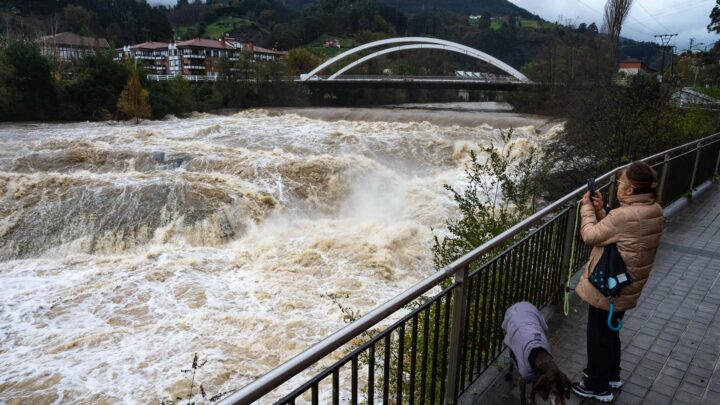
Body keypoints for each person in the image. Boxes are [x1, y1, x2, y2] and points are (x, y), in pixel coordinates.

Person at [570, 161, 664, 402]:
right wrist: (602, 211)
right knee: (610, 332)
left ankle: (596, 385)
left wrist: (587, 209)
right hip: (627, 283)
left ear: (631, 190)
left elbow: (591, 235)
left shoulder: (624, 215)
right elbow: (621, 235)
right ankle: (612, 375)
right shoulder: (654, 209)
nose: (618, 186)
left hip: (609, 286)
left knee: (598, 334)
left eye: (621, 183)